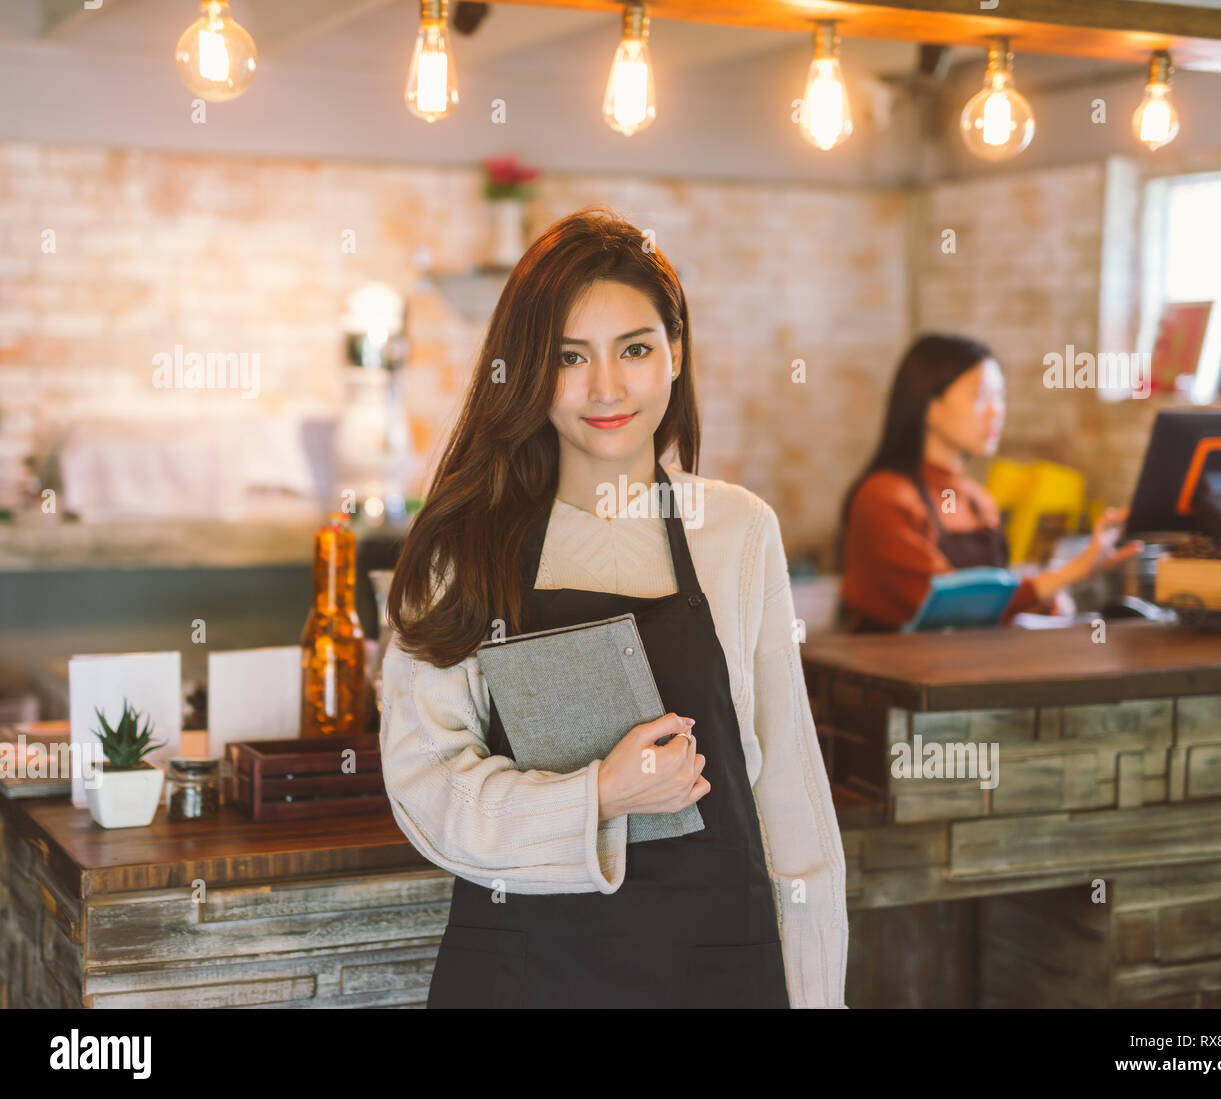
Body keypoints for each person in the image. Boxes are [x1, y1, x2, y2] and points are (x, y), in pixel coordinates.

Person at [379, 205, 848, 1009]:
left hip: (717, 972)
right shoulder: (465, 545)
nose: (607, 388)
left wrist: (818, 997)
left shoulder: (738, 531)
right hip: (525, 976)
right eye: (570, 356)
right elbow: (427, 790)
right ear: (527, 369)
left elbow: (792, 798)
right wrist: (598, 794)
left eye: (634, 348)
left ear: (675, 354)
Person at [838, 333, 1142, 632]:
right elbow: (950, 605)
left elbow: (997, 608)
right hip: (898, 676)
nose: (997, 412)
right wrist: (1077, 569)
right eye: (981, 396)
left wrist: (1044, 601)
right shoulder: (883, 497)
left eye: (1000, 398)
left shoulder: (980, 502)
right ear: (929, 403)